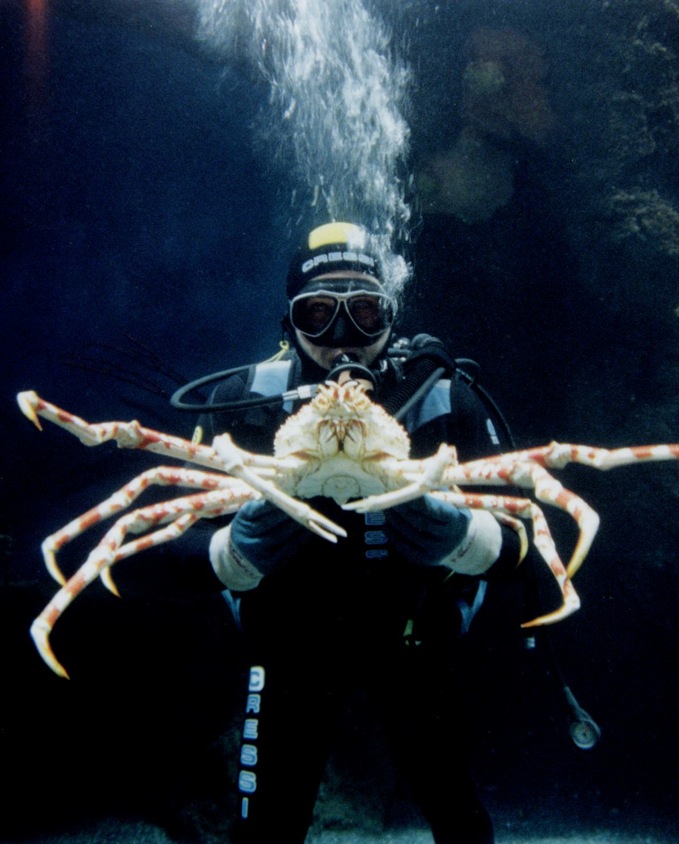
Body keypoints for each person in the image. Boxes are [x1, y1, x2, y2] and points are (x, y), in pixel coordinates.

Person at [187, 222, 522, 843]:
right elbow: (146, 550)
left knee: (459, 815)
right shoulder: (244, 406)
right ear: (289, 325)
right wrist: (229, 552)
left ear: (391, 319)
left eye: (365, 313)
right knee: (262, 833)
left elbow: (535, 539)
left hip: (415, 645)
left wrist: (468, 538)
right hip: (288, 652)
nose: (344, 341)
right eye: (318, 315)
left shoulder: (445, 401)